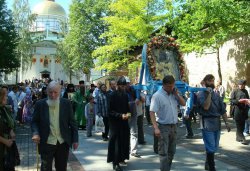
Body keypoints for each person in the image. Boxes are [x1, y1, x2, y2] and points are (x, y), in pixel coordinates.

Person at [31, 81, 79, 171]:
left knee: (61, 168)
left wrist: (75, 140)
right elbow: (34, 122)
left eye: (55, 92)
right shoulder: (40, 104)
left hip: (62, 143)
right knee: (45, 168)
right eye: (50, 92)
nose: (53, 95)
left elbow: (73, 123)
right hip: (46, 142)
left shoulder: (66, 103)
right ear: (46, 91)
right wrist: (36, 133)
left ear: (60, 91)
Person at [150, 75, 185, 171]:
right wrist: (156, 128)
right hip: (163, 127)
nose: (171, 88)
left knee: (172, 151)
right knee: (163, 152)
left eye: (172, 86)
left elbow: (183, 103)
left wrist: (177, 94)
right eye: (169, 86)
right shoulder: (157, 96)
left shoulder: (174, 94)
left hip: (174, 126)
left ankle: (167, 169)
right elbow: (152, 112)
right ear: (164, 85)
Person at [197, 74, 229, 171]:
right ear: (205, 82)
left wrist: (227, 123)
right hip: (207, 122)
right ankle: (212, 168)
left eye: (213, 81)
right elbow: (206, 107)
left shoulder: (217, 94)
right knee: (210, 146)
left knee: (214, 146)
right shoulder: (201, 94)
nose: (212, 83)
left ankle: (208, 162)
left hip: (217, 123)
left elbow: (222, 110)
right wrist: (209, 94)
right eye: (210, 81)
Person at [107, 76, 130, 171]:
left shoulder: (125, 95)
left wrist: (128, 114)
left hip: (124, 123)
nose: (123, 88)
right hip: (115, 123)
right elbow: (110, 111)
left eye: (124, 86)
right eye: (122, 86)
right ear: (118, 85)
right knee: (116, 143)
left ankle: (121, 158)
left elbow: (127, 108)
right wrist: (120, 116)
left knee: (124, 141)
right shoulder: (112, 95)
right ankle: (115, 163)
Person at [0, 88, 16, 171]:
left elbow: (8, 124)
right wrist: (4, 141)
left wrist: (11, 131)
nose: (7, 97)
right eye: (5, 96)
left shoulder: (4, 109)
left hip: (7, 148)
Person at [230, 79, 249, 145]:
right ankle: (242, 138)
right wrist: (238, 101)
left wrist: (247, 101)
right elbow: (231, 100)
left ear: (244, 85)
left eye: (242, 85)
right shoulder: (235, 91)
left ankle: (238, 137)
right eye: (240, 85)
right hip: (237, 110)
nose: (241, 86)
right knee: (239, 125)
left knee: (242, 125)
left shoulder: (245, 91)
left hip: (244, 110)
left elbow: (247, 99)